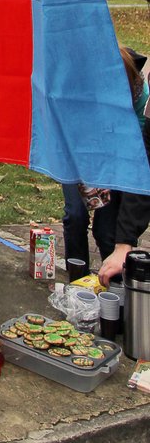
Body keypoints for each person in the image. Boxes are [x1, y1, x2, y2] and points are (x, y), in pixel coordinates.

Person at [98, 47, 150, 286]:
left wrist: (125, 243)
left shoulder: (140, 96)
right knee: (103, 226)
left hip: (129, 162)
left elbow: (140, 163)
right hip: (105, 159)